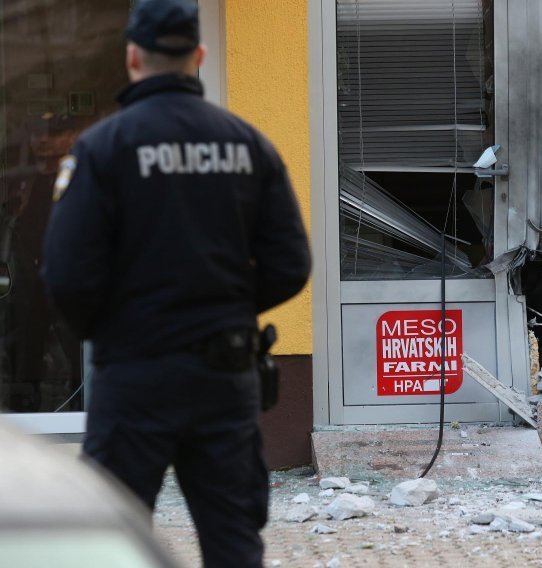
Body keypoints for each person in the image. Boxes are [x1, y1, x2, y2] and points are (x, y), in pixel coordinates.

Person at [40, 1, 311, 566]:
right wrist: (227, 309)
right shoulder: (248, 145)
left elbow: (66, 275)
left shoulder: (103, 148)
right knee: (233, 540)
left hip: (135, 375)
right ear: (199, 57)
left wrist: (115, 331)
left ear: (132, 56)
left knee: (110, 537)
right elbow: (290, 265)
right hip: (225, 376)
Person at [1, 113, 83, 412]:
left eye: (54, 132)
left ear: (73, 135)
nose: (44, 140)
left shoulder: (82, 175)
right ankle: (24, 410)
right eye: (37, 133)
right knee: (25, 352)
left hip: (68, 277)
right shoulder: (21, 179)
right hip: (27, 278)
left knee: (76, 350)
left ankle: (80, 408)